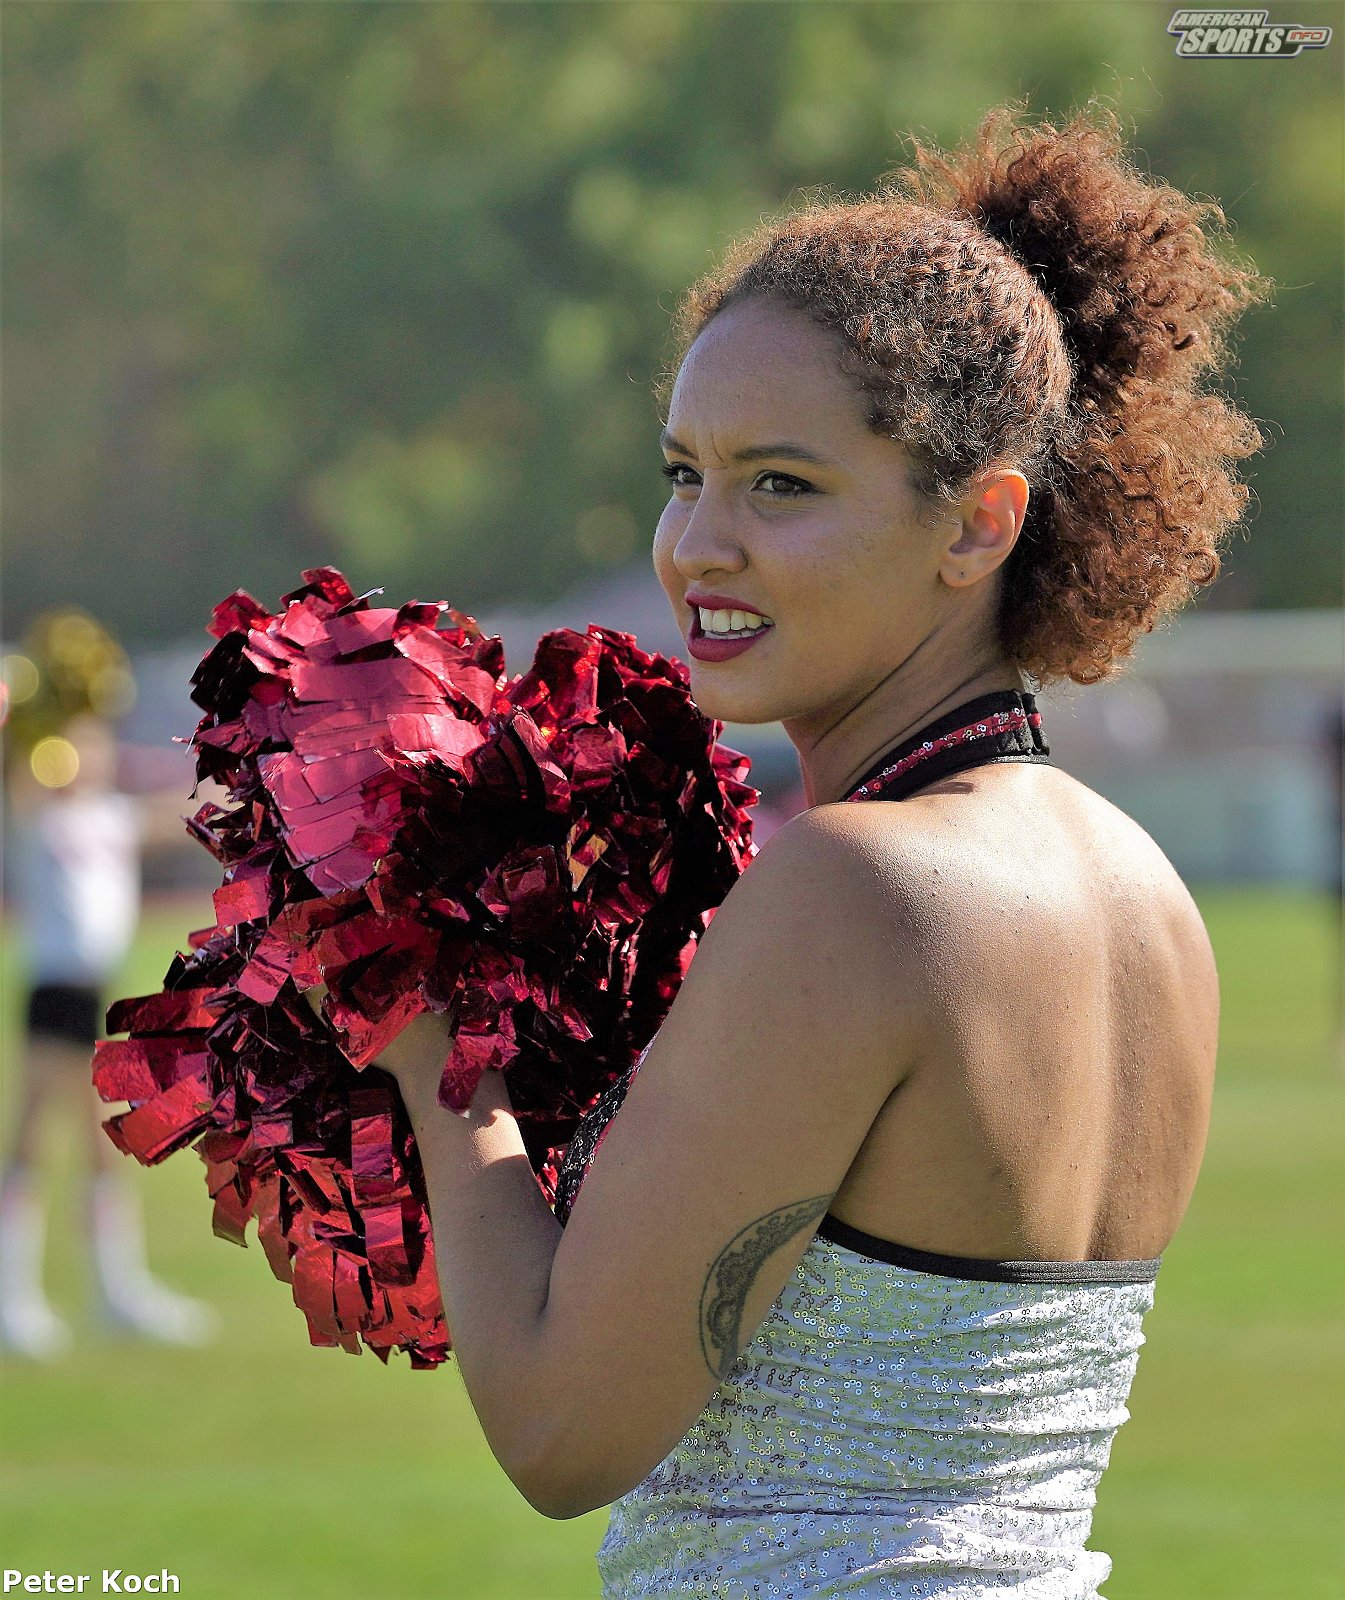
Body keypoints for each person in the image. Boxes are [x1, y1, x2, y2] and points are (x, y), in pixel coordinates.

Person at [313, 102, 1267, 1595]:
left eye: (781, 484)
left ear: (979, 524)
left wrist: (435, 1030)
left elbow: (561, 1432)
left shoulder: (856, 888)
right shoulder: (1146, 892)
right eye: (682, 473)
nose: (698, 544)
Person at [0, 708, 220, 1358]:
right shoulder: (36, 814)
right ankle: (15, 1296)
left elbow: (173, 815)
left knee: (101, 1143)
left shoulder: (110, 816)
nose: (86, 757)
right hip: (55, 991)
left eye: (93, 745)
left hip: (96, 994)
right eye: (75, 745)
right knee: (34, 1139)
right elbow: (18, 772)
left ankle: (113, 1291)